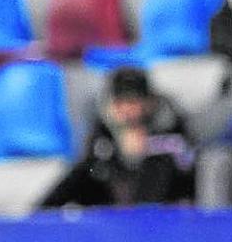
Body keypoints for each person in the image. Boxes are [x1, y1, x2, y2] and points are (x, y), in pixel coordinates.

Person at [40, 66, 195, 209]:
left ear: (149, 102)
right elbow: (88, 169)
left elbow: (186, 173)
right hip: (114, 211)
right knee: (85, 172)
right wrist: (118, 153)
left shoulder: (170, 126)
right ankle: (37, 220)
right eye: (120, 102)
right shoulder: (102, 129)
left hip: (162, 213)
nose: (127, 110)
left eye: (133, 102)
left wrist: (145, 150)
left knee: (157, 164)